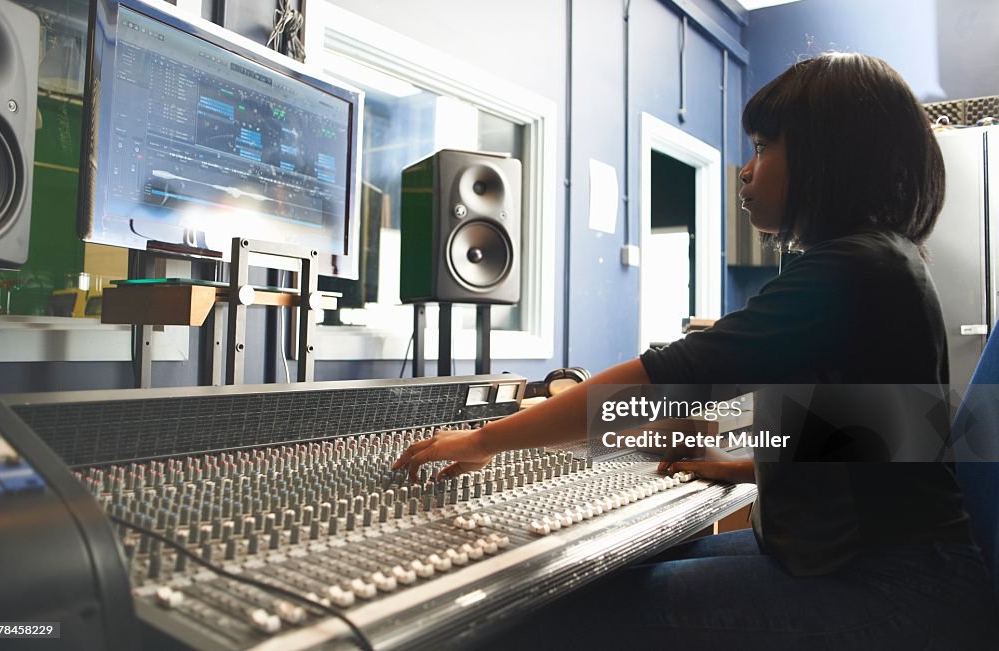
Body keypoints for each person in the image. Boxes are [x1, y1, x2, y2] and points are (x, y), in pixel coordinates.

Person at [393, 53, 999, 649]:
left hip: (892, 592)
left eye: (763, 147)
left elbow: (676, 376)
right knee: (608, 577)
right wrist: (744, 467)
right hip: (902, 570)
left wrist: (483, 440)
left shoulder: (854, 266)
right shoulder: (887, 258)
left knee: (548, 615)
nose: (745, 169)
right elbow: (880, 438)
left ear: (826, 158)